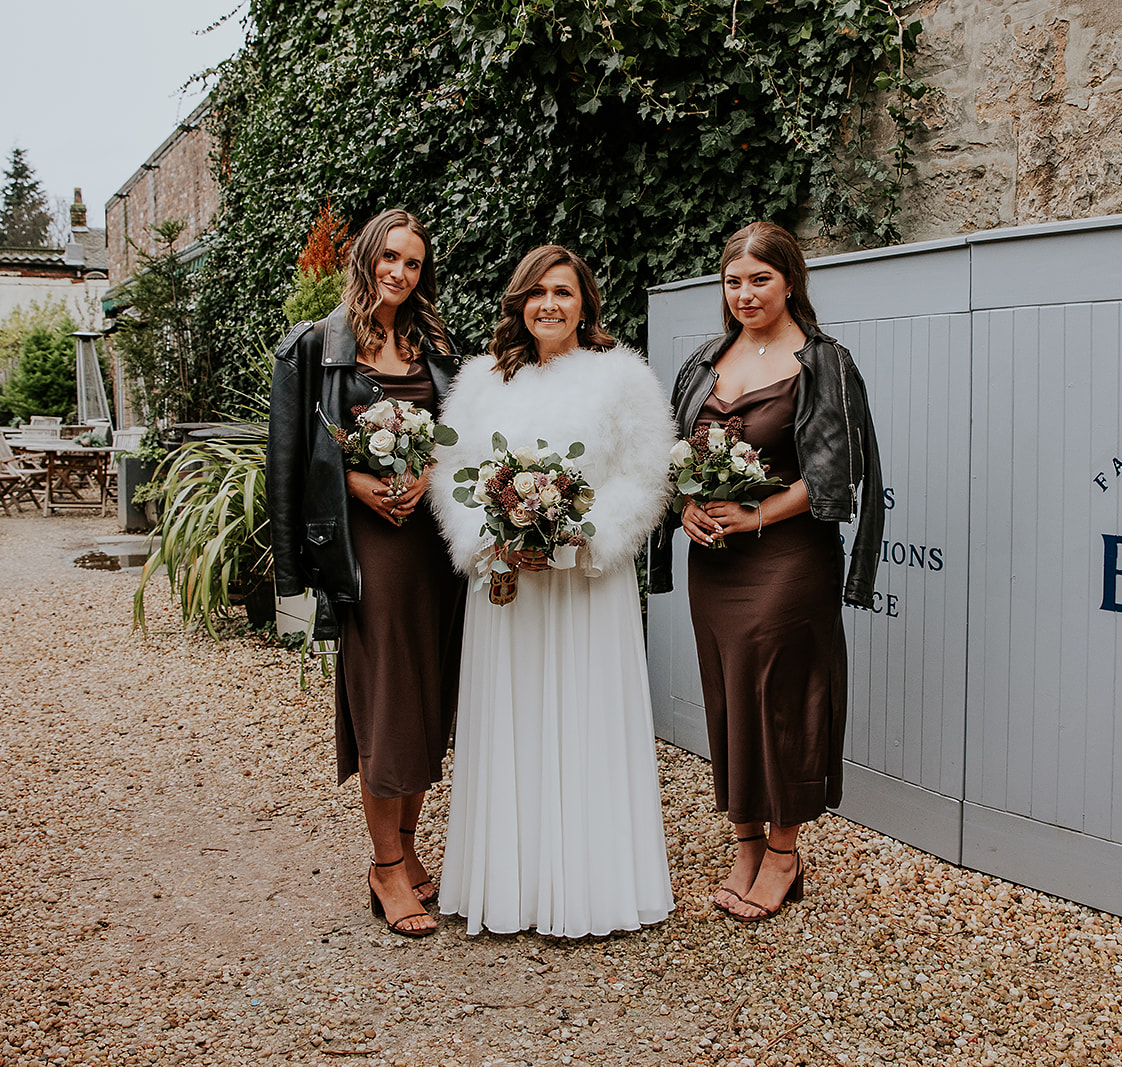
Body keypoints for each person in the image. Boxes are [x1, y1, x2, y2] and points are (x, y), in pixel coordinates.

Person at [428, 244, 676, 937]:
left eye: (563, 292)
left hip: (584, 587)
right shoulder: (481, 382)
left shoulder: (619, 378)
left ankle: (592, 887)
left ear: (585, 304)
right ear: (518, 302)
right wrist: (492, 537)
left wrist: (579, 537)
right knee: (514, 718)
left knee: (584, 714)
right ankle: (510, 885)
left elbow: (643, 473)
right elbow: (454, 472)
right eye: (536, 292)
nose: (549, 304)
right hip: (507, 584)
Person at [649, 220, 883, 922]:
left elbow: (832, 475)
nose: (745, 293)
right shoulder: (702, 361)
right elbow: (672, 451)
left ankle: (785, 851)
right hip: (714, 562)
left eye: (760, 279)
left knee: (784, 697)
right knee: (728, 695)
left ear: (789, 282)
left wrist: (754, 516)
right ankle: (745, 843)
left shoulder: (824, 362)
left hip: (786, 556)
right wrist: (686, 503)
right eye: (733, 280)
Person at [268, 208, 467, 938]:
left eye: (413, 262)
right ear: (364, 258)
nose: (400, 272)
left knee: (426, 694)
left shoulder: (435, 344)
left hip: (434, 546)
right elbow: (291, 459)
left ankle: (408, 853)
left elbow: (465, 431)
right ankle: (385, 866)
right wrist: (357, 485)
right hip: (368, 548)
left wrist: (429, 474)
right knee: (386, 694)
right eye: (389, 257)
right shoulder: (317, 346)